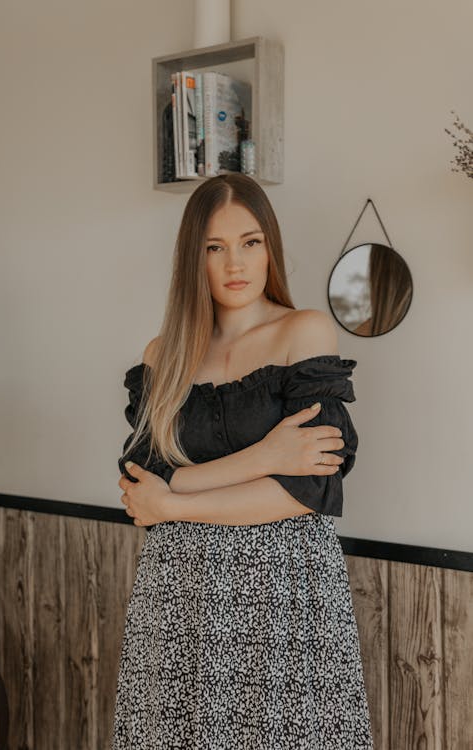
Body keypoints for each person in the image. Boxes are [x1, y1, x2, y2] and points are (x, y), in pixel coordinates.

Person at [112, 173, 374, 749]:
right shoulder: (164, 355)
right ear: (193, 258)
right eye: (215, 247)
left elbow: (305, 491)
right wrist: (265, 455)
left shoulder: (303, 331)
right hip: (178, 591)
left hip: (283, 590)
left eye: (250, 242)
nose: (236, 263)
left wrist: (173, 500)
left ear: (270, 247)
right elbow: (138, 488)